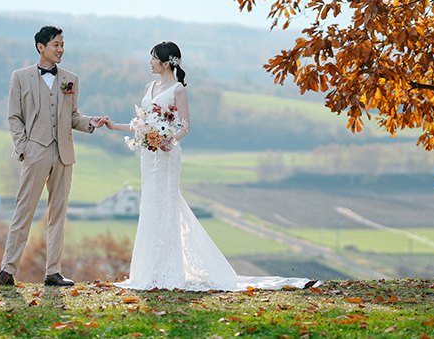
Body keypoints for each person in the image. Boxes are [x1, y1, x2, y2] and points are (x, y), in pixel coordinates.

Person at [104, 41, 316, 291]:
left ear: (165, 63)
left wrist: (169, 140)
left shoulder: (178, 90)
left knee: (166, 204)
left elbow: (185, 126)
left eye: (153, 58)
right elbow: (142, 125)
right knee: (150, 205)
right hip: (148, 156)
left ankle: (167, 271)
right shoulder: (149, 87)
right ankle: (148, 271)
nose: (149, 62)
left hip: (167, 156)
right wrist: (114, 126)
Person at [0, 26, 110, 286]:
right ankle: (7, 271)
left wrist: (90, 122)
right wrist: (24, 148)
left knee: (58, 214)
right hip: (35, 153)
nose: (61, 49)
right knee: (24, 211)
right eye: (56, 44)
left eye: (62, 44)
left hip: (64, 155)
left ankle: (53, 272)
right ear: (40, 47)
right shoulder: (20, 77)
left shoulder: (71, 79)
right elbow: (14, 117)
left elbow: (72, 116)